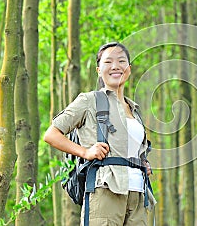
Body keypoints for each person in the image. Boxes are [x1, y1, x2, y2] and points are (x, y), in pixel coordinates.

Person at [44, 42, 155, 226]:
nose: (115, 66)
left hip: (138, 193)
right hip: (105, 189)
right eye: (108, 62)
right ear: (98, 70)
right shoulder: (89, 100)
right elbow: (51, 134)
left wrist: (142, 162)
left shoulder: (134, 109)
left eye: (121, 61)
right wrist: (85, 152)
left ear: (128, 69)